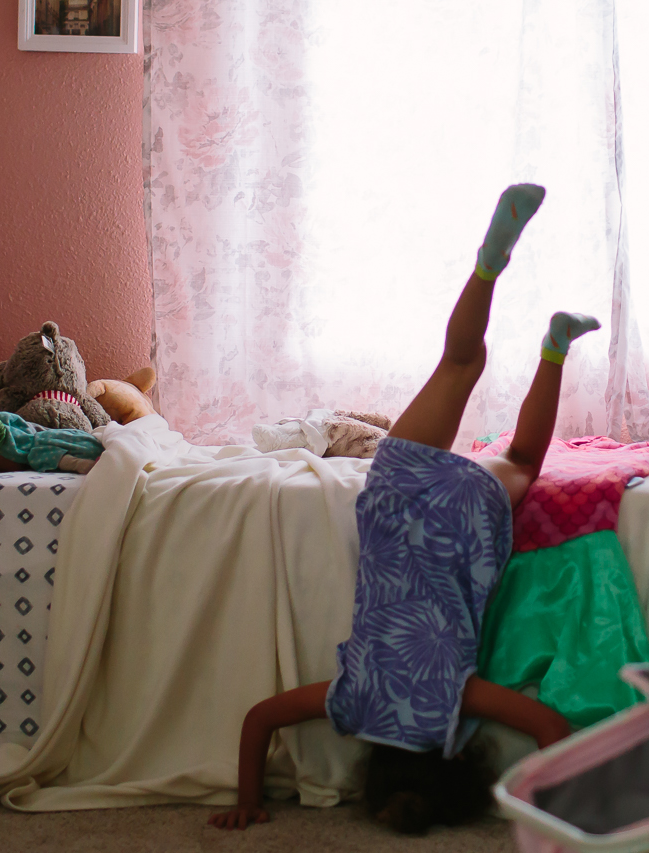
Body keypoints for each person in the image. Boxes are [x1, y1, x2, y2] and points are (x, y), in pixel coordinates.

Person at [210, 184, 598, 832]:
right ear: (376, 770)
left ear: (452, 770)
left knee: (526, 458)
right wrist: (245, 795)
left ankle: (556, 345)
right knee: (459, 361)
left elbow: (550, 726)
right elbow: (259, 718)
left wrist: (559, 813)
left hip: (461, 522)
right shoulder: (352, 699)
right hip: (396, 499)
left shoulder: (456, 703)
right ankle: (488, 264)